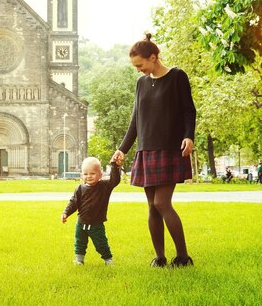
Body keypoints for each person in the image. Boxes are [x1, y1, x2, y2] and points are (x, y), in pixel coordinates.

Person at [111, 34, 196, 268]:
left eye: (140, 65)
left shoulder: (177, 77)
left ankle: (183, 257)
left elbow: (189, 110)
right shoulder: (141, 84)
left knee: (161, 203)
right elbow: (135, 120)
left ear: (153, 57)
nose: (138, 70)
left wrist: (189, 135)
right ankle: (159, 258)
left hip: (170, 149)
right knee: (152, 206)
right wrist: (122, 150)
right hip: (146, 150)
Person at [61, 157, 121, 266]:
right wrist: (66, 212)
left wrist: (114, 166)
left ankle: (108, 259)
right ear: (82, 175)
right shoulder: (80, 188)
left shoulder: (104, 186)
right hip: (81, 223)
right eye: (85, 174)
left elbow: (115, 180)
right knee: (80, 243)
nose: (88, 176)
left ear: (100, 175)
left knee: (101, 243)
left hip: (96, 224)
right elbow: (73, 202)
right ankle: (79, 260)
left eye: (92, 173)